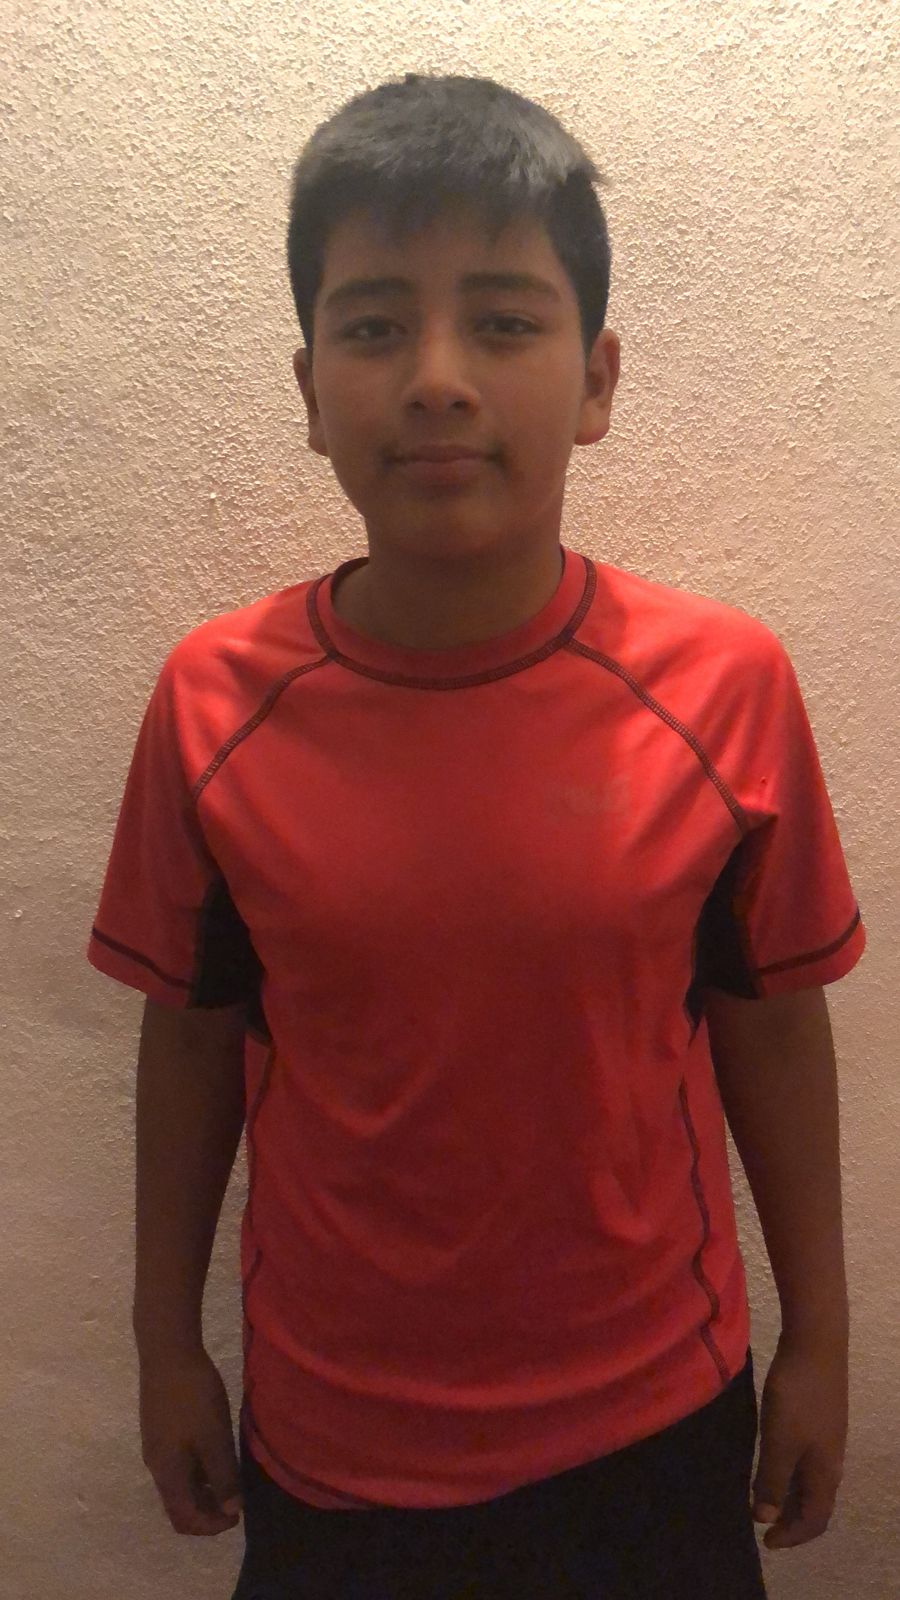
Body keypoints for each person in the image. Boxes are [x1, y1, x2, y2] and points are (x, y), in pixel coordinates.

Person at [87, 72, 865, 1600]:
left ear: (597, 379)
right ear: (310, 386)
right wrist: (163, 1343)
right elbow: (190, 1039)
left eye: (503, 322)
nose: (437, 378)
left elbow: (775, 1026)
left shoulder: (727, 689)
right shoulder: (211, 706)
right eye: (376, 325)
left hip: (655, 1425)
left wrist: (824, 1343)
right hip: (335, 1450)